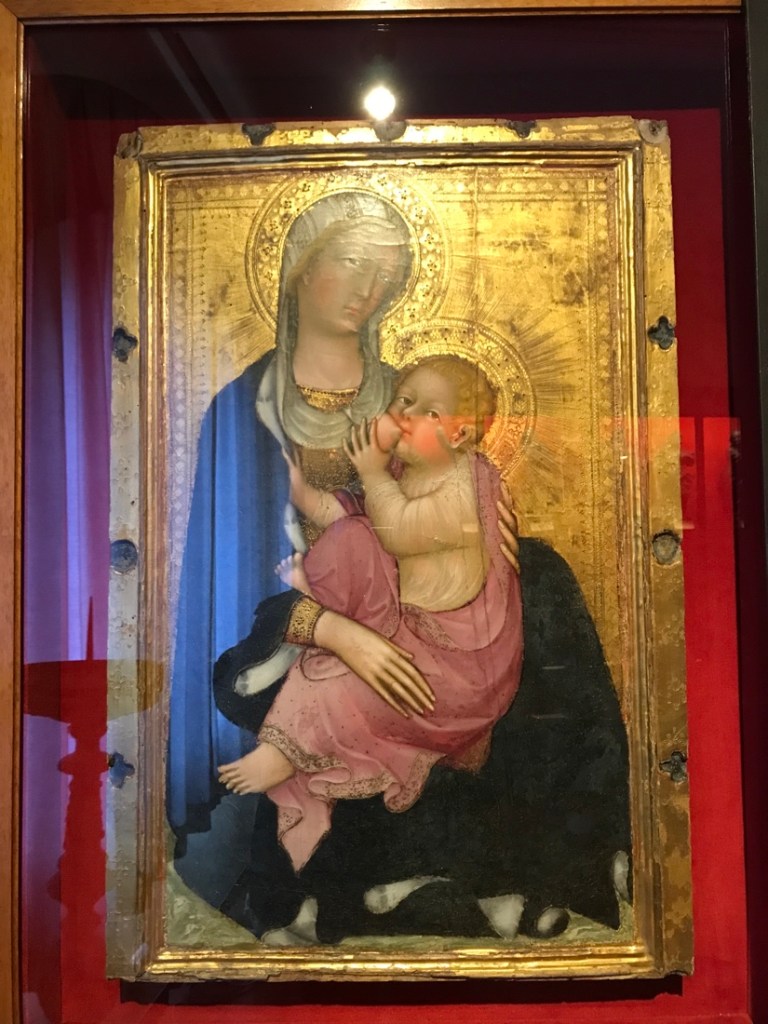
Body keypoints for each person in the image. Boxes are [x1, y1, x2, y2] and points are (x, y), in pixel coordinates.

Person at [171, 189, 630, 944]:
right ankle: (355, 887)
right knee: (296, 677)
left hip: (417, 608)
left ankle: (566, 853)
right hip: (293, 608)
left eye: (386, 273)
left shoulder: (410, 391)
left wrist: (486, 549)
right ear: (299, 267)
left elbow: (427, 518)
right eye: (352, 262)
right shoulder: (245, 406)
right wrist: (341, 632)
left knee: (544, 587)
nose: (368, 288)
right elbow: (234, 568)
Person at [217, 356, 523, 874]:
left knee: (337, 682)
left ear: (460, 434)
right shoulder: (410, 471)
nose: (404, 414)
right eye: (402, 399)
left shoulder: (463, 492)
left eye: (426, 411)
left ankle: (283, 754)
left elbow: (396, 532)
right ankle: (312, 615)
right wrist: (297, 486)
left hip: (454, 670)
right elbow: (352, 519)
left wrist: (371, 470)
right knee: (352, 536)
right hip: (410, 629)